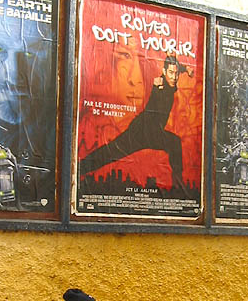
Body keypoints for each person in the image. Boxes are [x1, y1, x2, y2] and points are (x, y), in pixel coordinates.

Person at [79, 54, 193, 195]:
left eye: (176, 73)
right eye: (171, 73)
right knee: (112, 152)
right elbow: (155, 94)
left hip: (155, 133)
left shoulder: (172, 78)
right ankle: (81, 167)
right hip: (141, 131)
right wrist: (157, 87)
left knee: (174, 143)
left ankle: (178, 184)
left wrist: (186, 69)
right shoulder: (160, 84)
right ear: (164, 72)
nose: (174, 77)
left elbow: (177, 69)